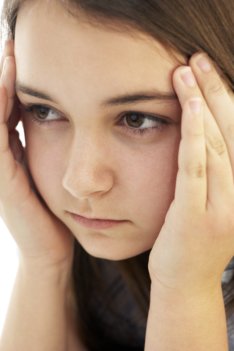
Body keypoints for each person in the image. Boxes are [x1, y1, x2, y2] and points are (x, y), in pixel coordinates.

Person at [0, 0, 233, 350]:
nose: (79, 181)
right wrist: (44, 264)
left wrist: (187, 290)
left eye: (137, 119)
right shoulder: (101, 257)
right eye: (43, 110)